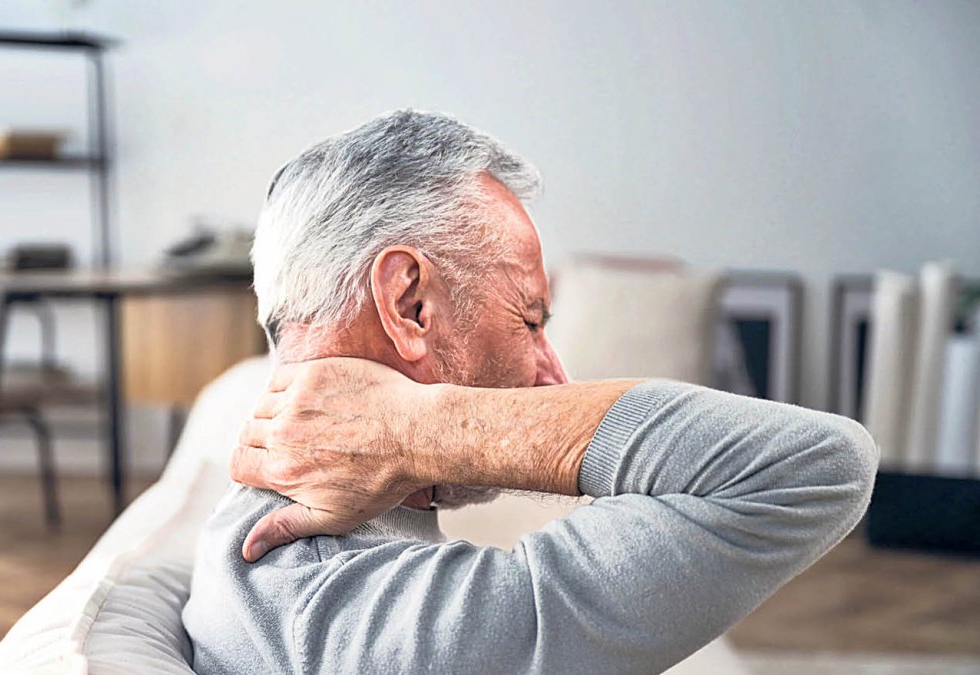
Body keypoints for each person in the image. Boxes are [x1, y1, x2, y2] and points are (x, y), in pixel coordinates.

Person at [182, 110, 877, 674]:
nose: (553, 378)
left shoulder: (285, 554)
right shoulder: (363, 618)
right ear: (410, 305)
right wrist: (413, 427)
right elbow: (817, 464)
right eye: (529, 320)